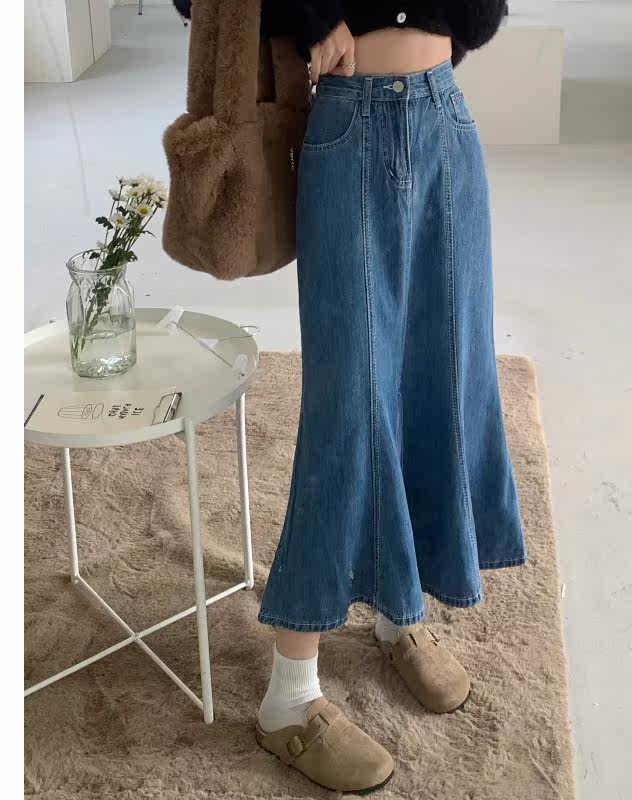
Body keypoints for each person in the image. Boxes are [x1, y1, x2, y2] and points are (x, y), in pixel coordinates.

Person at [174, 2, 527, 793]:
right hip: (346, 123)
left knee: (444, 379)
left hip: (444, 119)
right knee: (350, 406)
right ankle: (289, 698)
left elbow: (483, 14)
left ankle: (400, 613)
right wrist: (312, 14)